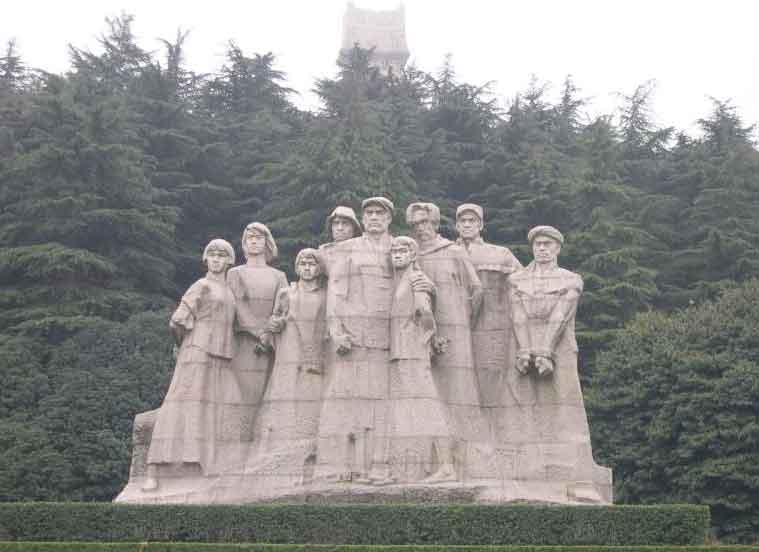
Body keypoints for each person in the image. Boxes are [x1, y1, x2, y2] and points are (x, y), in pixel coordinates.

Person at [505, 226, 604, 501]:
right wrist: (525, 350)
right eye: (538, 244)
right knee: (521, 403)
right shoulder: (516, 280)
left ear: (558, 248)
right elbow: (517, 316)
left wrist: (545, 351)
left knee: (565, 403)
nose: (542, 248)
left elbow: (561, 315)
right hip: (523, 347)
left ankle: (577, 475)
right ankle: (525, 468)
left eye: (547, 244)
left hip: (558, 348)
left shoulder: (571, 279)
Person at [142, 239, 236, 492]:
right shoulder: (201, 285)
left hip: (220, 354)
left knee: (208, 410)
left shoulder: (228, 291)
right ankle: (154, 468)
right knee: (179, 404)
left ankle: (203, 462)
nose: (216, 259)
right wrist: (187, 344)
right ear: (206, 259)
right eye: (212, 255)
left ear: (229, 260)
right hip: (197, 350)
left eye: (221, 255)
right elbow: (178, 320)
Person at [407, 202, 490, 479]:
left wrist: (464, 322)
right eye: (415, 224)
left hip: (455, 330)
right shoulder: (411, 253)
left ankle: (468, 459)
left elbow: (476, 290)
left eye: (424, 222)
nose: (420, 228)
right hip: (421, 332)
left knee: (459, 391)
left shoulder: (453, 251)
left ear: (435, 223)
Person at [243, 248, 327, 490]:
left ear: (318, 268)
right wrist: (273, 327)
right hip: (289, 349)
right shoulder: (286, 293)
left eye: (312, 264)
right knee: (282, 394)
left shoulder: (326, 294)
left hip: (314, 352)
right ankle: (272, 447)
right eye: (303, 263)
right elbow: (275, 320)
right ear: (297, 267)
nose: (307, 268)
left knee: (311, 397)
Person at [384, 236, 456, 484]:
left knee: (428, 406)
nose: (397, 254)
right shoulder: (401, 279)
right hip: (403, 352)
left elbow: (424, 311)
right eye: (394, 250)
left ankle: (446, 466)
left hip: (411, 351)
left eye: (402, 250)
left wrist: (426, 337)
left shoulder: (416, 278)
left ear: (413, 255)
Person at [455, 203, 522, 425]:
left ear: (481, 225)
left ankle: (492, 427)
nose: (467, 225)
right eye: (463, 221)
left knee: (490, 373)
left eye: (472, 221)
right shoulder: (446, 253)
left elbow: (522, 284)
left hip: (492, 324)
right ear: (456, 225)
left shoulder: (499, 254)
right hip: (455, 325)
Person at [226, 222, 288, 464]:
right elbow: (237, 305)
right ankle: (239, 451)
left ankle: (261, 453)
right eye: (249, 237)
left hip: (271, 346)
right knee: (243, 398)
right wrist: (259, 332)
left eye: (258, 237)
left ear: (267, 242)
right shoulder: (235, 273)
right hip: (244, 344)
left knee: (269, 399)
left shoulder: (279, 276)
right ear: (243, 244)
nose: (253, 241)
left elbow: (283, 307)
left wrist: (271, 332)